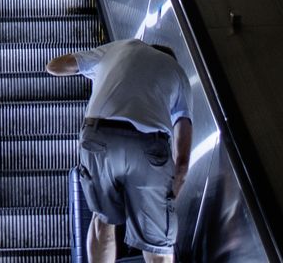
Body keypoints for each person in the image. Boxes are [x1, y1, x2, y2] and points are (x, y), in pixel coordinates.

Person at [48, 39, 193, 263]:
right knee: (158, 242)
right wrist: (167, 199)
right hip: (149, 145)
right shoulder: (178, 73)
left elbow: (55, 66)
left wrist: (94, 70)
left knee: (103, 221)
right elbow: (182, 161)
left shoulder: (119, 48)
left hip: (99, 136)